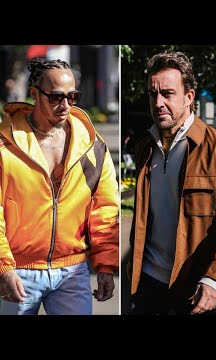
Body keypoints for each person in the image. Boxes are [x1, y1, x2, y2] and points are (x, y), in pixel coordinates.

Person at [0, 57, 119, 315]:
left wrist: (106, 266)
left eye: (72, 96)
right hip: (18, 270)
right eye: (55, 97)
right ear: (34, 93)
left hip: (72, 272)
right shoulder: (5, 145)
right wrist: (4, 268)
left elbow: (104, 209)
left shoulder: (92, 146)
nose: (65, 105)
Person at [127, 51, 216, 315]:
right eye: (153, 94)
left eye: (167, 93)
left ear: (189, 97)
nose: (158, 102)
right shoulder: (146, 147)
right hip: (147, 285)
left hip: (197, 286)